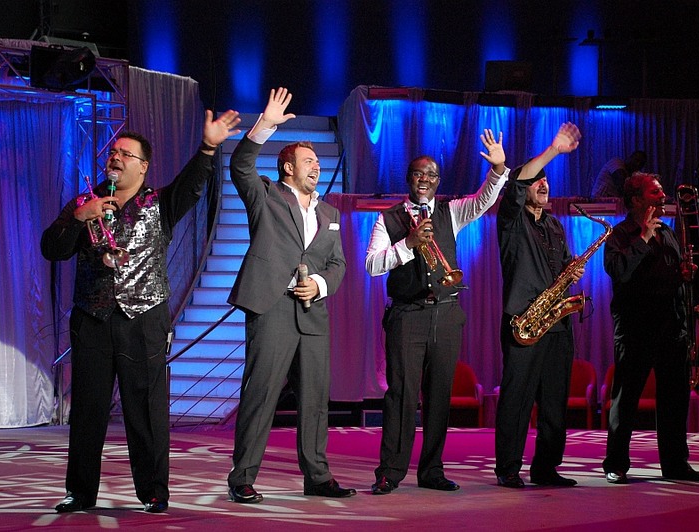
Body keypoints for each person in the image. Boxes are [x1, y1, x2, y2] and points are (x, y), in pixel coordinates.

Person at [42, 109, 242, 513]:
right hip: (92, 318)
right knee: (88, 409)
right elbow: (53, 248)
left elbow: (190, 186)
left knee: (145, 409)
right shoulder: (84, 202)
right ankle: (80, 491)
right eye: (112, 152)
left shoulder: (159, 202)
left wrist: (207, 148)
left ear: (143, 166)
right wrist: (79, 218)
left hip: (144, 317)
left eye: (125, 154)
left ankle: (153, 490)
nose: (115, 157)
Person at [225, 87, 354, 503]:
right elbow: (240, 165)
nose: (316, 166)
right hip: (272, 307)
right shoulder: (265, 194)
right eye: (308, 161)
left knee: (314, 399)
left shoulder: (330, 213)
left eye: (317, 161)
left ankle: (317, 476)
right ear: (287, 167)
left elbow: (338, 264)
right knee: (261, 394)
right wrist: (264, 124)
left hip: (312, 313)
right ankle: (242, 477)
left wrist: (319, 285)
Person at [365, 130, 510, 495]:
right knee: (401, 395)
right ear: (408, 178)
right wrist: (408, 245)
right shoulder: (388, 219)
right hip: (407, 316)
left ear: (438, 181)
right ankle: (390, 472)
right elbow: (372, 265)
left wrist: (498, 169)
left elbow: (483, 201)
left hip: (445, 314)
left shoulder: (451, 211)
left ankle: (432, 470)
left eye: (431, 175)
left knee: (439, 395)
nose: (425, 179)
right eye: (419, 173)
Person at [602, 172, 699, 484]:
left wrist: (684, 274)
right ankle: (616, 464)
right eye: (655, 193)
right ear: (636, 200)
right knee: (626, 399)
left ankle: (676, 464)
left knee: (675, 400)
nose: (663, 197)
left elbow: (670, 276)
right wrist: (644, 238)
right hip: (636, 329)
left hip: (671, 328)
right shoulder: (620, 235)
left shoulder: (668, 232)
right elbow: (619, 271)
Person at [495, 122, 584, 489]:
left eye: (546, 180)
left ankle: (546, 467)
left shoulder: (555, 226)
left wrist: (571, 271)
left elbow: (560, 267)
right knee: (516, 399)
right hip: (524, 321)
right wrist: (553, 150)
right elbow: (516, 182)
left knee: (554, 401)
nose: (543, 184)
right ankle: (508, 468)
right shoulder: (511, 219)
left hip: (556, 323)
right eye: (537, 180)